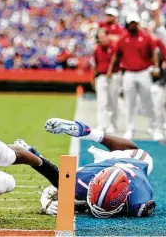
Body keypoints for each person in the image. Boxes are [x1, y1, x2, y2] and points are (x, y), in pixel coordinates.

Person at [41, 118, 155, 218]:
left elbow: (147, 206)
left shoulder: (138, 201)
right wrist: (46, 202)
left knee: (144, 157)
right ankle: (88, 132)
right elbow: (51, 188)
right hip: (112, 164)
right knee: (140, 154)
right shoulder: (83, 179)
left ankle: (89, 132)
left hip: (135, 164)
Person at [107, 12, 162, 140]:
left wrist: (156, 67)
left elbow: (153, 53)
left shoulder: (146, 37)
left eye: (135, 23)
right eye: (131, 23)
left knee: (148, 101)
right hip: (129, 73)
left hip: (143, 72)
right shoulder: (123, 38)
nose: (133, 25)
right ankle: (130, 128)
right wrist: (111, 69)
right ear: (128, 23)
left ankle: (153, 128)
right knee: (129, 103)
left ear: (137, 23)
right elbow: (117, 55)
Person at [93, 29, 120, 133]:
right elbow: (96, 64)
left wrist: (111, 70)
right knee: (101, 101)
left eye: (103, 37)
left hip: (113, 76)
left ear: (107, 36)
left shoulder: (114, 47)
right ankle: (101, 124)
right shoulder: (97, 49)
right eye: (100, 38)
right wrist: (93, 77)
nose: (102, 40)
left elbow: (115, 61)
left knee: (113, 101)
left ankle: (113, 124)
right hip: (101, 76)